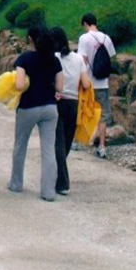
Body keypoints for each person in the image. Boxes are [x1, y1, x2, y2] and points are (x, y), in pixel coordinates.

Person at [8, 26, 63, 202]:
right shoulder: (54, 60)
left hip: (28, 107)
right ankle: (48, 192)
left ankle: (16, 183)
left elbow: (19, 85)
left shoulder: (24, 59)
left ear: (31, 39)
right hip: (50, 108)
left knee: (20, 145)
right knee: (48, 149)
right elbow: (60, 86)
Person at [50, 27, 90, 195]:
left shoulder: (53, 57)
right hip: (74, 104)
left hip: (57, 101)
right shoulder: (78, 59)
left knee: (58, 143)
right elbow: (87, 84)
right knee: (65, 143)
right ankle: (58, 176)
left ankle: (62, 182)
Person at [78, 13, 116, 159]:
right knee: (103, 115)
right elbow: (111, 58)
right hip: (103, 83)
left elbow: (82, 60)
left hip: (88, 82)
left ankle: (78, 140)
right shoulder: (106, 38)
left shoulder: (84, 38)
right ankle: (102, 146)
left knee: (83, 110)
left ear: (85, 24)